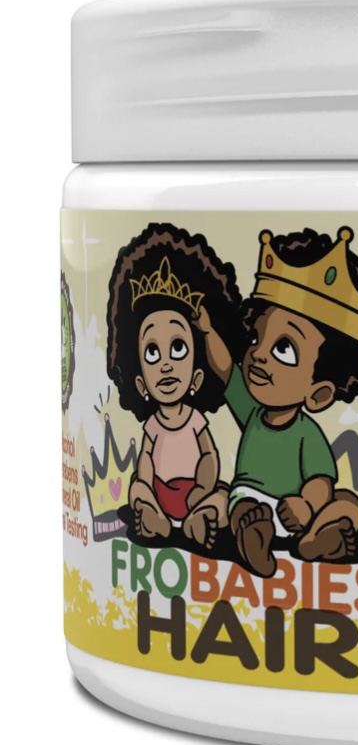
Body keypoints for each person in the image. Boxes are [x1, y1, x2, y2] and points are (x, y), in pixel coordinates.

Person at [197, 226, 358, 577]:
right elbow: (224, 369)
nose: (258, 355)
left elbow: (320, 482)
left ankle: (316, 538)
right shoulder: (252, 411)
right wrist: (207, 331)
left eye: (283, 349)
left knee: (349, 503)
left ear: (319, 394)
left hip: (297, 511)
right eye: (256, 339)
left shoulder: (305, 432)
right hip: (254, 503)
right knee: (240, 505)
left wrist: (306, 506)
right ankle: (256, 534)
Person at [106, 224, 244, 548]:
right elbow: (146, 459)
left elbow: (208, 455)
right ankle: (153, 515)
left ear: (197, 378)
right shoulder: (153, 425)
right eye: (152, 353)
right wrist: (146, 487)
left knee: (224, 496)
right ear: (141, 383)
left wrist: (204, 488)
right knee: (136, 488)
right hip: (159, 491)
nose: (166, 364)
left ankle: (202, 517)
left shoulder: (195, 420)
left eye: (178, 348)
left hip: (196, 492)